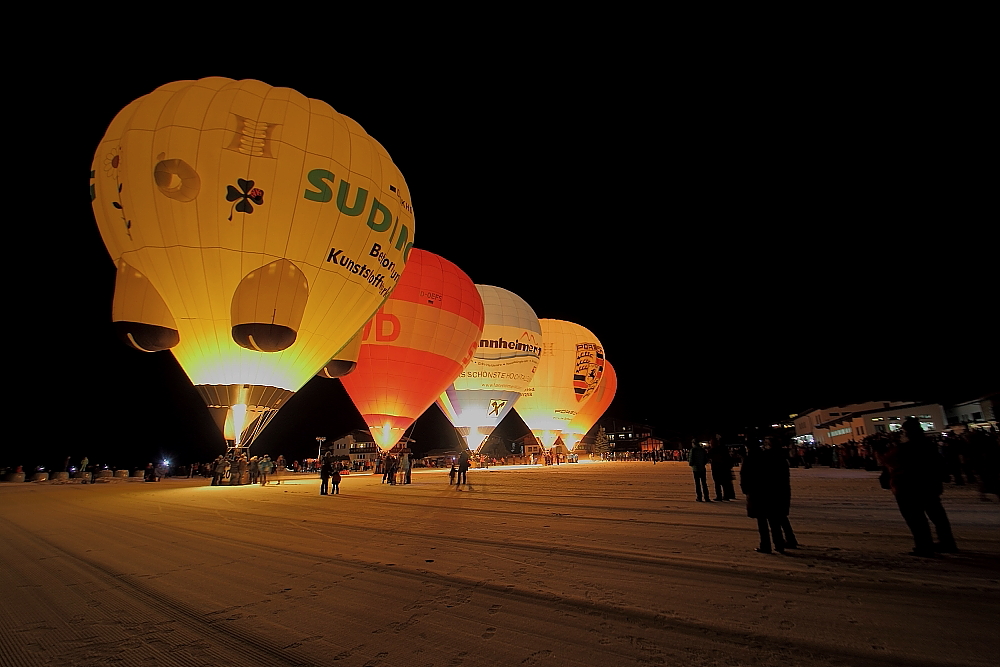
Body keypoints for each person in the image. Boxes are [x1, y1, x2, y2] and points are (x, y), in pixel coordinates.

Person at [879, 418, 957, 557]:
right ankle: (947, 541)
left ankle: (924, 545)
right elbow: (939, 463)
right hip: (929, 484)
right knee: (937, 515)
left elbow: (887, 460)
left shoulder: (904, 448)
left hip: (908, 486)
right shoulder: (929, 445)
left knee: (916, 518)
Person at [740, 438, 795, 554]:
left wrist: (746, 490)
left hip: (757, 493)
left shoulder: (750, 458)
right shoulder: (767, 456)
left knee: (762, 522)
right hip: (771, 491)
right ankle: (779, 544)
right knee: (774, 520)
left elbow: (745, 476)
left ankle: (765, 545)